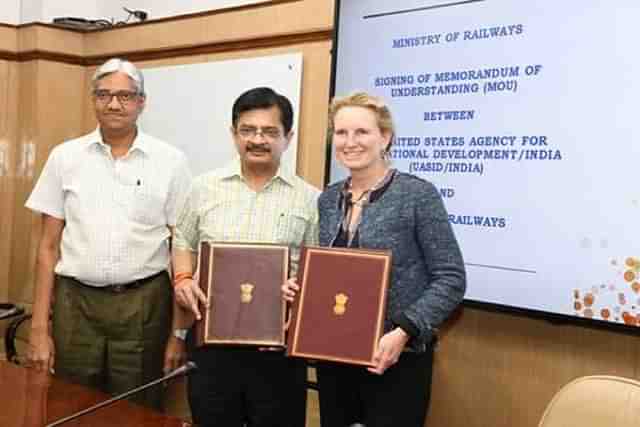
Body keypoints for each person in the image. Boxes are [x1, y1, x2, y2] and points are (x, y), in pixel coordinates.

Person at [283, 92, 466, 427]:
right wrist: (304, 289)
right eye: (341, 133)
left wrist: (404, 331)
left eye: (362, 132)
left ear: (385, 137)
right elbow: (330, 274)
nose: (350, 142)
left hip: (397, 358)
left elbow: (451, 279)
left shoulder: (417, 195)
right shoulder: (327, 199)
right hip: (333, 356)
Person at [24, 58, 192, 409]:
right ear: (93, 99)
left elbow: (182, 247)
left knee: (137, 406)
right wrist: (39, 328)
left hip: (144, 306)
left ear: (141, 102)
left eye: (125, 96)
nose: (114, 104)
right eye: (104, 94)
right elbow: (47, 247)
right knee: (69, 403)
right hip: (75, 305)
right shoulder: (65, 157)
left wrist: (177, 334)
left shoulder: (171, 161)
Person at [172, 87, 319, 427]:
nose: (258, 139)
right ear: (234, 133)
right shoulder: (202, 188)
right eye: (248, 130)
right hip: (211, 345)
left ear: (288, 137)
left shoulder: (311, 200)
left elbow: (316, 270)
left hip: (278, 350)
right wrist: (182, 279)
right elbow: (183, 241)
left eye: (270, 132)